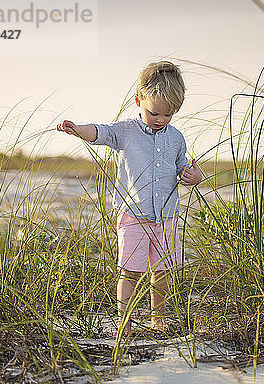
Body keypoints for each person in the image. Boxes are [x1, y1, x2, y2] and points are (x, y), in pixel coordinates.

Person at [57, 61, 202, 335]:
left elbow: (183, 165)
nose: (161, 120)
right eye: (154, 112)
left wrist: (195, 176)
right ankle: (126, 321)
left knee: (163, 272)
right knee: (131, 272)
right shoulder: (126, 131)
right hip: (134, 215)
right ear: (139, 99)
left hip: (166, 217)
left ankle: (158, 319)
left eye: (168, 115)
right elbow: (100, 132)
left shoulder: (176, 138)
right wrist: (78, 129)